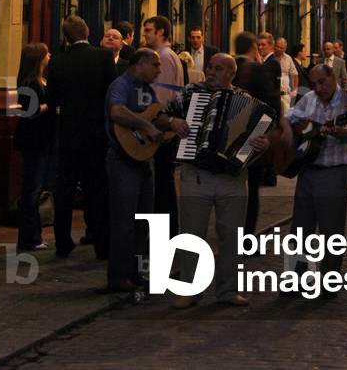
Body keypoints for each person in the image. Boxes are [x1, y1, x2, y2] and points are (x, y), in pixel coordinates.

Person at [164, 52, 271, 308]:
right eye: (210, 67)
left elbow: (259, 140)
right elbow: (162, 115)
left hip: (232, 178)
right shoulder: (190, 93)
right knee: (191, 234)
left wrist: (262, 145)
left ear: (230, 74)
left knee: (231, 236)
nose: (211, 72)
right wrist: (172, 121)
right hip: (196, 175)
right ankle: (190, 289)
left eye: (218, 68)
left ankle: (228, 290)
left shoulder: (246, 102)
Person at [104, 48, 189, 291]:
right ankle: (119, 277)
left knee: (143, 220)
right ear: (140, 64)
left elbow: (157, 114)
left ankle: (138, 273)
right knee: (123, 220)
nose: (159, 70)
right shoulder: (120, 85)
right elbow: (117, 111)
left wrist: (172, 123)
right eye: (155, 65)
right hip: (122, 159)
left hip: (143, 160)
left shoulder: (147, 90)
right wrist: (145, 126)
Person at [47, 15, 115, 259]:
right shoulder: (104, 57)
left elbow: (52, 98)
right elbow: (111, 95)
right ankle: (100, 243)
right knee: (96, 188)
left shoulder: (57, 62)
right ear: (88, 31)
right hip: (96, 135)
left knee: (64, 189)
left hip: (68, 134)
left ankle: (63, 242)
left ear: (66, 37)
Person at [285, 64, 347, 281]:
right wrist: (288, 135)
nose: (318, 88)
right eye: (314, 83)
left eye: (322, 82)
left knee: (331, 230)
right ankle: (296, 279)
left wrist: (335, 130)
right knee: (300, 228)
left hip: (333, 173)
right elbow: (288, 118)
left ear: (333, 78)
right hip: (307, 170)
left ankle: (329, 280)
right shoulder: (309, 98)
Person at [233, 31, 280, 235]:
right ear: (253, 47)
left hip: (231, 136)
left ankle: (231, 230)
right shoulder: (257, 70)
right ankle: (247, 236)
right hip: (252, 138)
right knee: (251, 188)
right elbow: (272, 105)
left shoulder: (229, 67)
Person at [143, 16, 184, 234]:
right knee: (163, 181)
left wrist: (156, 123)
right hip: (165, 127)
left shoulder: (165, 58)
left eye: (149, 30)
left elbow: (163, 96)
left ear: (161, 32)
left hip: (162, 129)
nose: (145, 34)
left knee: (162, 183)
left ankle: (167, 232)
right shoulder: (167, 56)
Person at [14, 43, 54, 251]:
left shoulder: (40, 80)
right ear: (38, 59)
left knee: (35, 189)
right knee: (32, 189)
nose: (50, 55)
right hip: (33, 141)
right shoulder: (29, 83)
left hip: (40, 140)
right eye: (46, 53)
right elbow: (30, 112)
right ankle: (29, 237)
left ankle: (33, 235)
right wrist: (51, 105)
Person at [257, 33, 282, 112]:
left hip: (270, 107)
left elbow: (268, 87)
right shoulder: (268, 61)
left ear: (271, 46)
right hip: (269, 106)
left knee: (263, 125)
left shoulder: (272, 62)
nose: (260, 47)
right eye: (259, 45)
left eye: (263, 45)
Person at [274, 37, 298, 112]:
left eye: (281, 48)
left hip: (285, 95)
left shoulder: (288, 58)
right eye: (277, 46)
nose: (279, 49)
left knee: (285, 117)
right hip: (273, 94)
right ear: (274, 46)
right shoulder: (270, 57)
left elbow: (295, 74)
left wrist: (295, 89)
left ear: (285, 48)